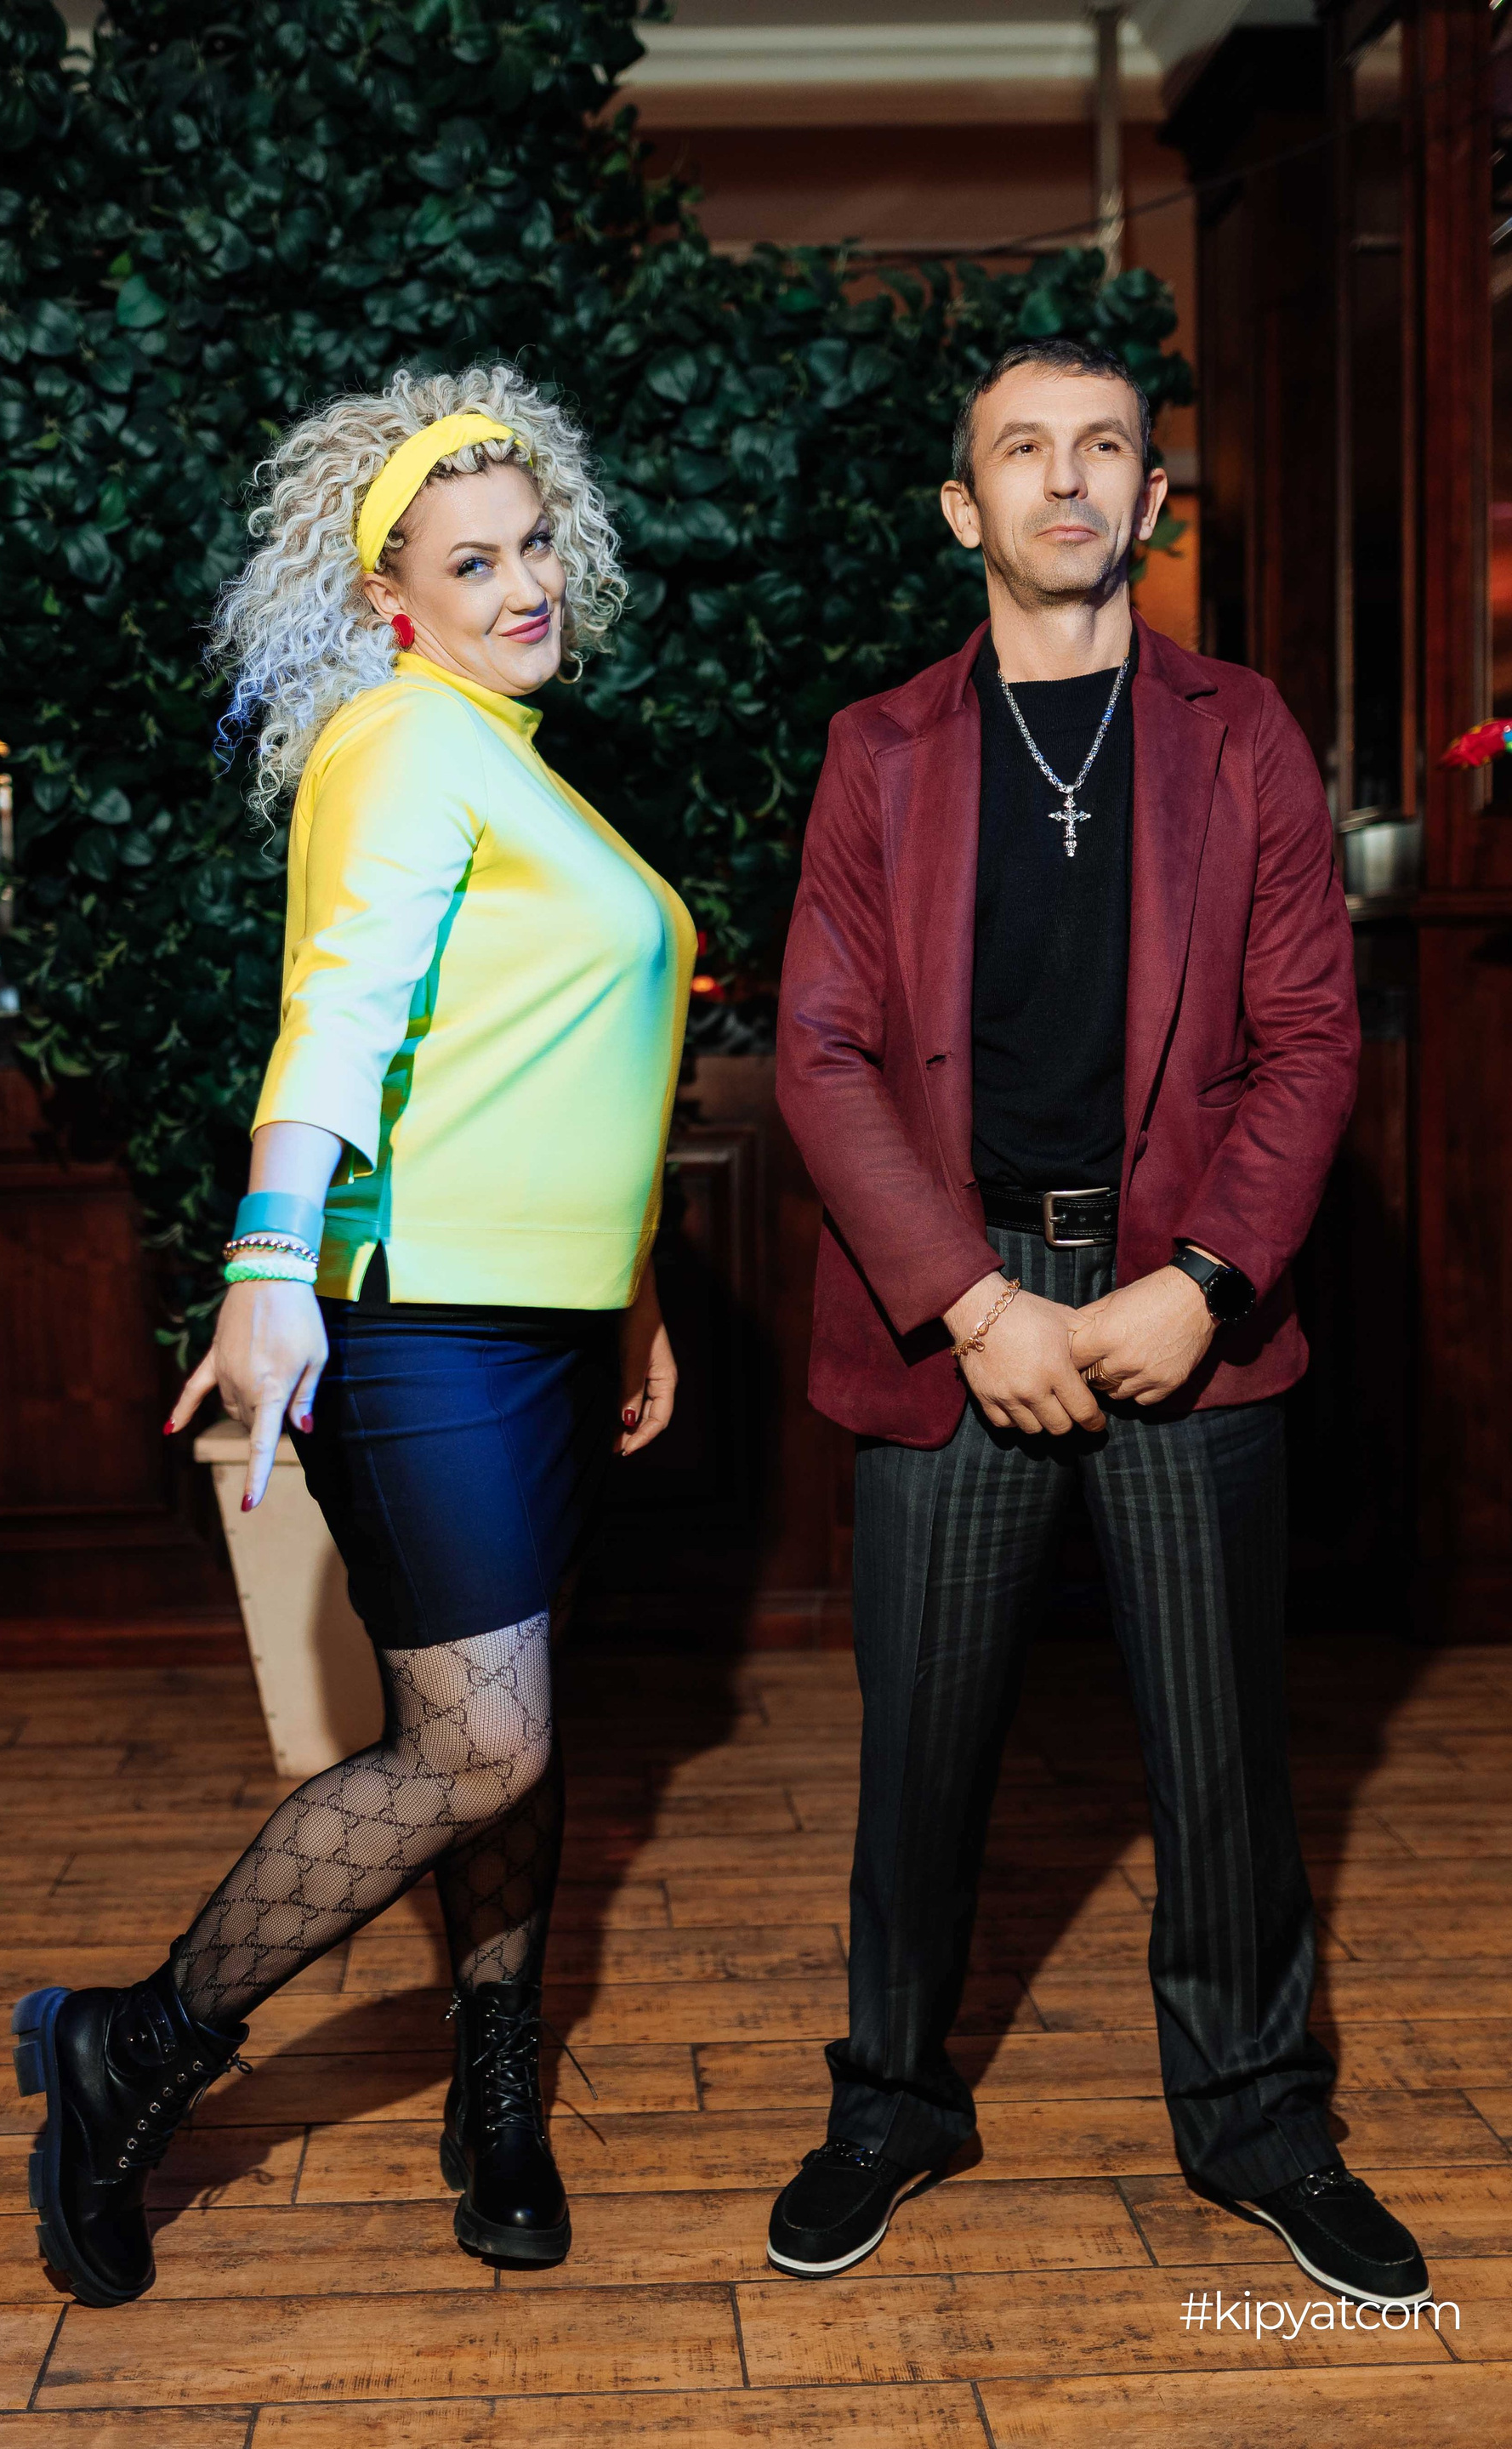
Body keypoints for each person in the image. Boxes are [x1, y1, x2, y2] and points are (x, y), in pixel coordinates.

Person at [11, 362, 695, 2306]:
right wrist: (264, 1258)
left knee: (512, 1742)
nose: (524, 584)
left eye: (536, 543)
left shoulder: (512, 758)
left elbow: (569, 1072)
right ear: (391, 598)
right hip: (418, 1324)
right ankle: (133, 2047)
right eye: (472, 563)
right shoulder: (399, 744)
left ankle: (496, 2092)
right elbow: (339, 1011)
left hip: (545, 1327)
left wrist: (637, 1298)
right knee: (482, 1740)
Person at [767, 337, 1430, 2310]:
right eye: (1022, 451)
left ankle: (1257, 2119)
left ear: (1151, 499)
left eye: (1104, 450)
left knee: (1224, 1760)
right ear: (962, 506)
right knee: (924, 1753)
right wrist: (973, 1302)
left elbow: (1312, 1041)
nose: (1065, 481)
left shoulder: (1244, 732)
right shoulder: (880, 749)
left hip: (1174, 1306)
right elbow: (819, 1054)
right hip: (956, 1308)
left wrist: (1206, 1282)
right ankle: (893, 2099)